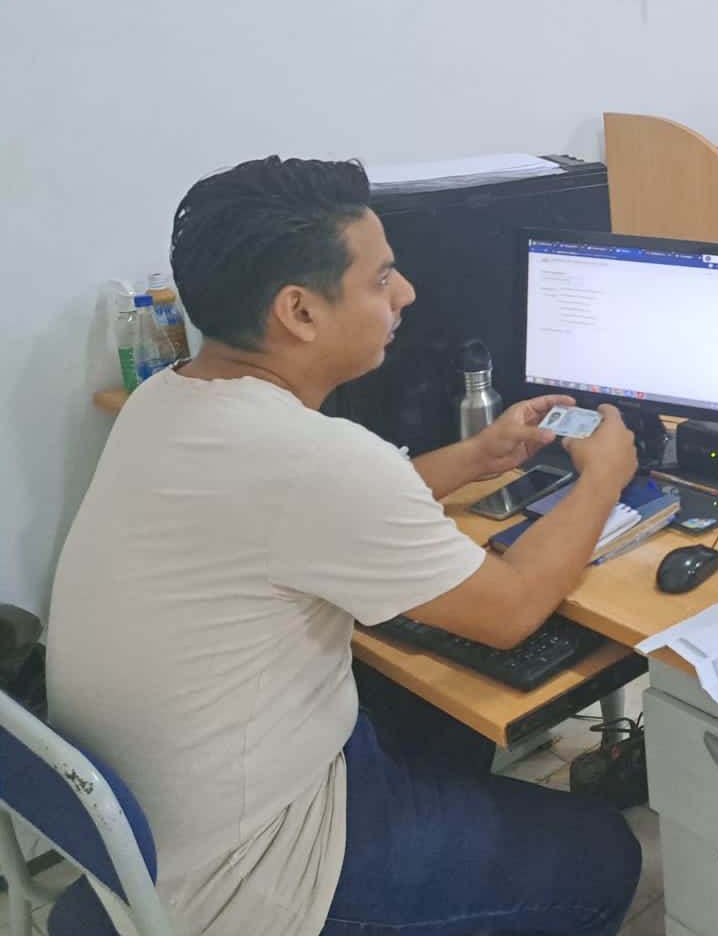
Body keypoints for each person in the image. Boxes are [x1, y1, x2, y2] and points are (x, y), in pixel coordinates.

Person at [47, 157, 644, 936]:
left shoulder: (168, 396)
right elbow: (512, 611)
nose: (407, 295)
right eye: (382, 279)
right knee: (604, 853)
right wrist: (603, 477)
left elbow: (318, 514)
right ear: (299, 311)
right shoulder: (313, 458)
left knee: (438, 714)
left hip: (148, 837)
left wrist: (476, 457)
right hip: (249, 877)